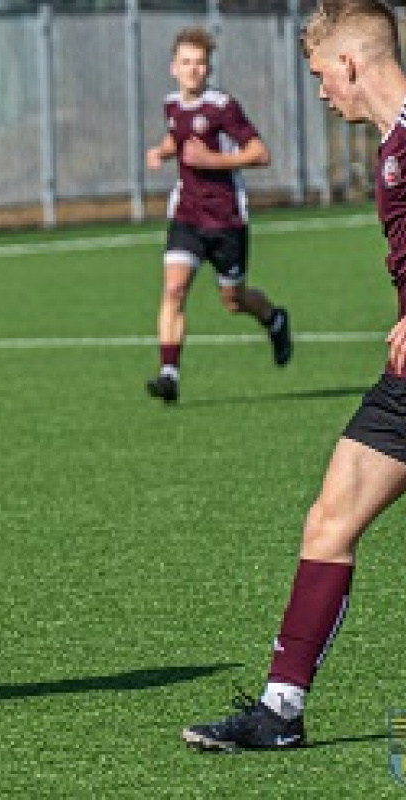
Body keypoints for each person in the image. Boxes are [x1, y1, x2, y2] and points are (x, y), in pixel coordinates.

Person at [182, 0, 406, 751]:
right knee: (330, 518)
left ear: (350, 62)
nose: (319, 92)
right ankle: (281, 711)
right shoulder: (390, 141)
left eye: (320, 74)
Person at [145, 27, 292, 405]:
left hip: (226, 218)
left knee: (234, 300)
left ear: (208, 68)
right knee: (174, 288)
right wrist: (161, 152)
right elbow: (176, 138)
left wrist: (214, 161)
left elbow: (260, 153)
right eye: (186, 62)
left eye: (200, 63)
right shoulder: (171, 106)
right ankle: (169, 374)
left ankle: (275, 320)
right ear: (173, 67)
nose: (193, 70)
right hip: (187, 214)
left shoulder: (223, 107)